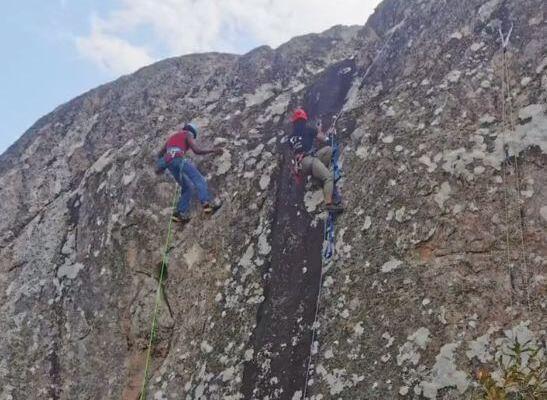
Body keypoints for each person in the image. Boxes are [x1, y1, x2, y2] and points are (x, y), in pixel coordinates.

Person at [156, 123, 223, 223]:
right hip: (178, 159)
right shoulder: (188, 134)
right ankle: (207, 205)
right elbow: (196, 150)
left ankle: (179, 214)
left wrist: (162, 165)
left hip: (169, 163)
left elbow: (160, 154)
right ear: (192, 131)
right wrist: (213, 151)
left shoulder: (172, 137)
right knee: (199, 179)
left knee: (187, 187)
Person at [289, 108, 343, 213]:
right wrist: (322, 131)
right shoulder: (308, 129)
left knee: (328, 150)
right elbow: (324, 139)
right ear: (304, 119)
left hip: (301, 165)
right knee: (328, 177)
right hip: (309, 160)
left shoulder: (290, 137)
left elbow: (295, 152)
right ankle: (329, 204)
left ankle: (317, 175)